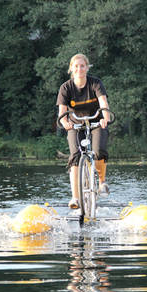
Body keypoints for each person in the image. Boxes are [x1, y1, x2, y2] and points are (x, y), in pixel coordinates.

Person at [57, 53, 111, 209]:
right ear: (71, 69)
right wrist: (65, 122)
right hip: (76, 125)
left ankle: (101, 182)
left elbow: (104, 103)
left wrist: (105, 118)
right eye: (76, 66)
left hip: (96, 123)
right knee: (75, 157)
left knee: (98, 150)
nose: (79, 69)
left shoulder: (95, 84)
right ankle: (75, 198)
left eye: (82, 66)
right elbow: (62, 113)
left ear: (87, 68)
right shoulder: (66, 87)